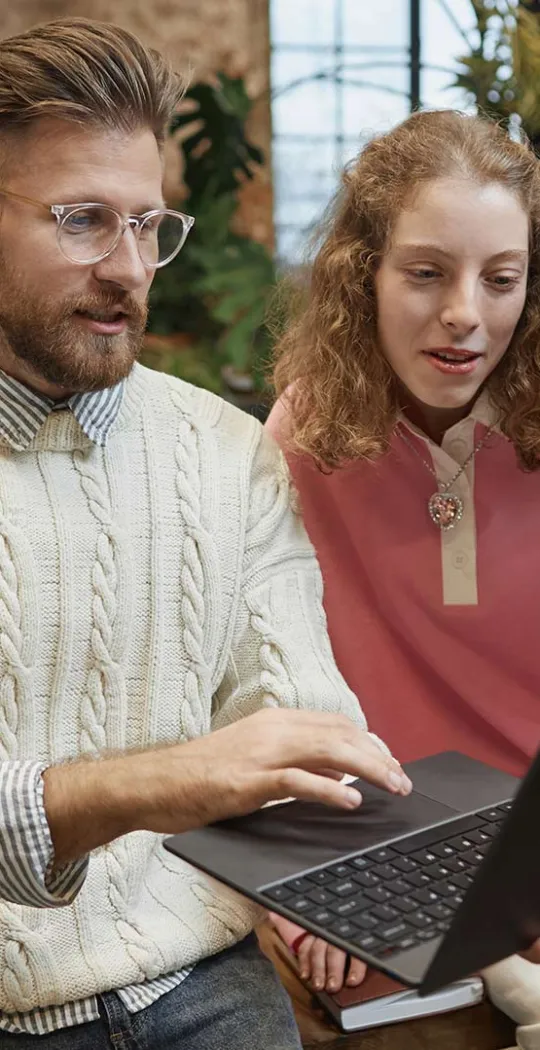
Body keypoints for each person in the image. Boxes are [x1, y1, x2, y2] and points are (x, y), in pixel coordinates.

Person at [0, 17, 416, 1050]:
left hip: (203, 979)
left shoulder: (228, 452)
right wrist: (160, 781)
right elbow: (193, 779)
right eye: (84, 221)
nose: (130, 269)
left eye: (148, 226)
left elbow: (301, 715)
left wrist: (411, 865)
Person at [266, 109, 540, 1041]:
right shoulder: (301, 434)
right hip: (378, 855)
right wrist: (306, 880)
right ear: (363, 275)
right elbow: (266, 678)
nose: (466, 312)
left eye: (501, 278)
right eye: (426, 272)